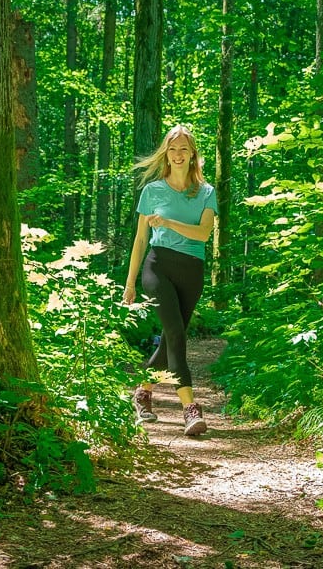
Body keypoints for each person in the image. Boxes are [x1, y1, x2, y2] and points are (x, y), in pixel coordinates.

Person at [122, 125, 218, 436]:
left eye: (184, 149)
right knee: (176, 334)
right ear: (166, 153)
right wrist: (131, 283)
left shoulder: (206, 193)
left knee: (169, 340)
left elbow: (203, 233)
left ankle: (142, 394)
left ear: (193, 155)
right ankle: (190, 410)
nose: (178, 155)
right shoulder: (152, 191)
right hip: (157, 266)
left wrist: (169, 222)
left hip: (192, 270)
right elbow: (139, 240)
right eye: (172, 149)